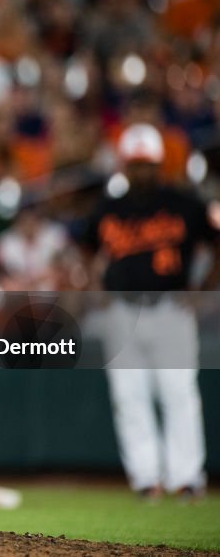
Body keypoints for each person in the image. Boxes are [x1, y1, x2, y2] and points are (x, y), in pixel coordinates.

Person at [82, 123, 214, 502]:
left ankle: (187, 477)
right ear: (125, 165)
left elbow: (214, 241)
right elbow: (87, 247)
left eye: (147, 164)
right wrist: (95, 284)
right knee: (130, 396)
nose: (141, 171)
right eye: (135, 164)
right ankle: (146, 478)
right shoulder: (109, 207)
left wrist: (204, 288)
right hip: (123, 310)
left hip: (171, 307)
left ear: (159, 165)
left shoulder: (183, 203)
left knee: (178, 394)